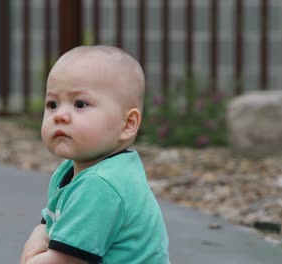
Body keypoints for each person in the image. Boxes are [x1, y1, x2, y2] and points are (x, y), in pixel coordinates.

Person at [20, 45, 170, 264]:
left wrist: (32, 254)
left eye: (80, 104)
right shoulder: (72, 169)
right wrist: (39, 235)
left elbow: (66, 260)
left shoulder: (101, 184)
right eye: (52, 104)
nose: (60, 115)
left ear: (127, 124)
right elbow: (49, 225)